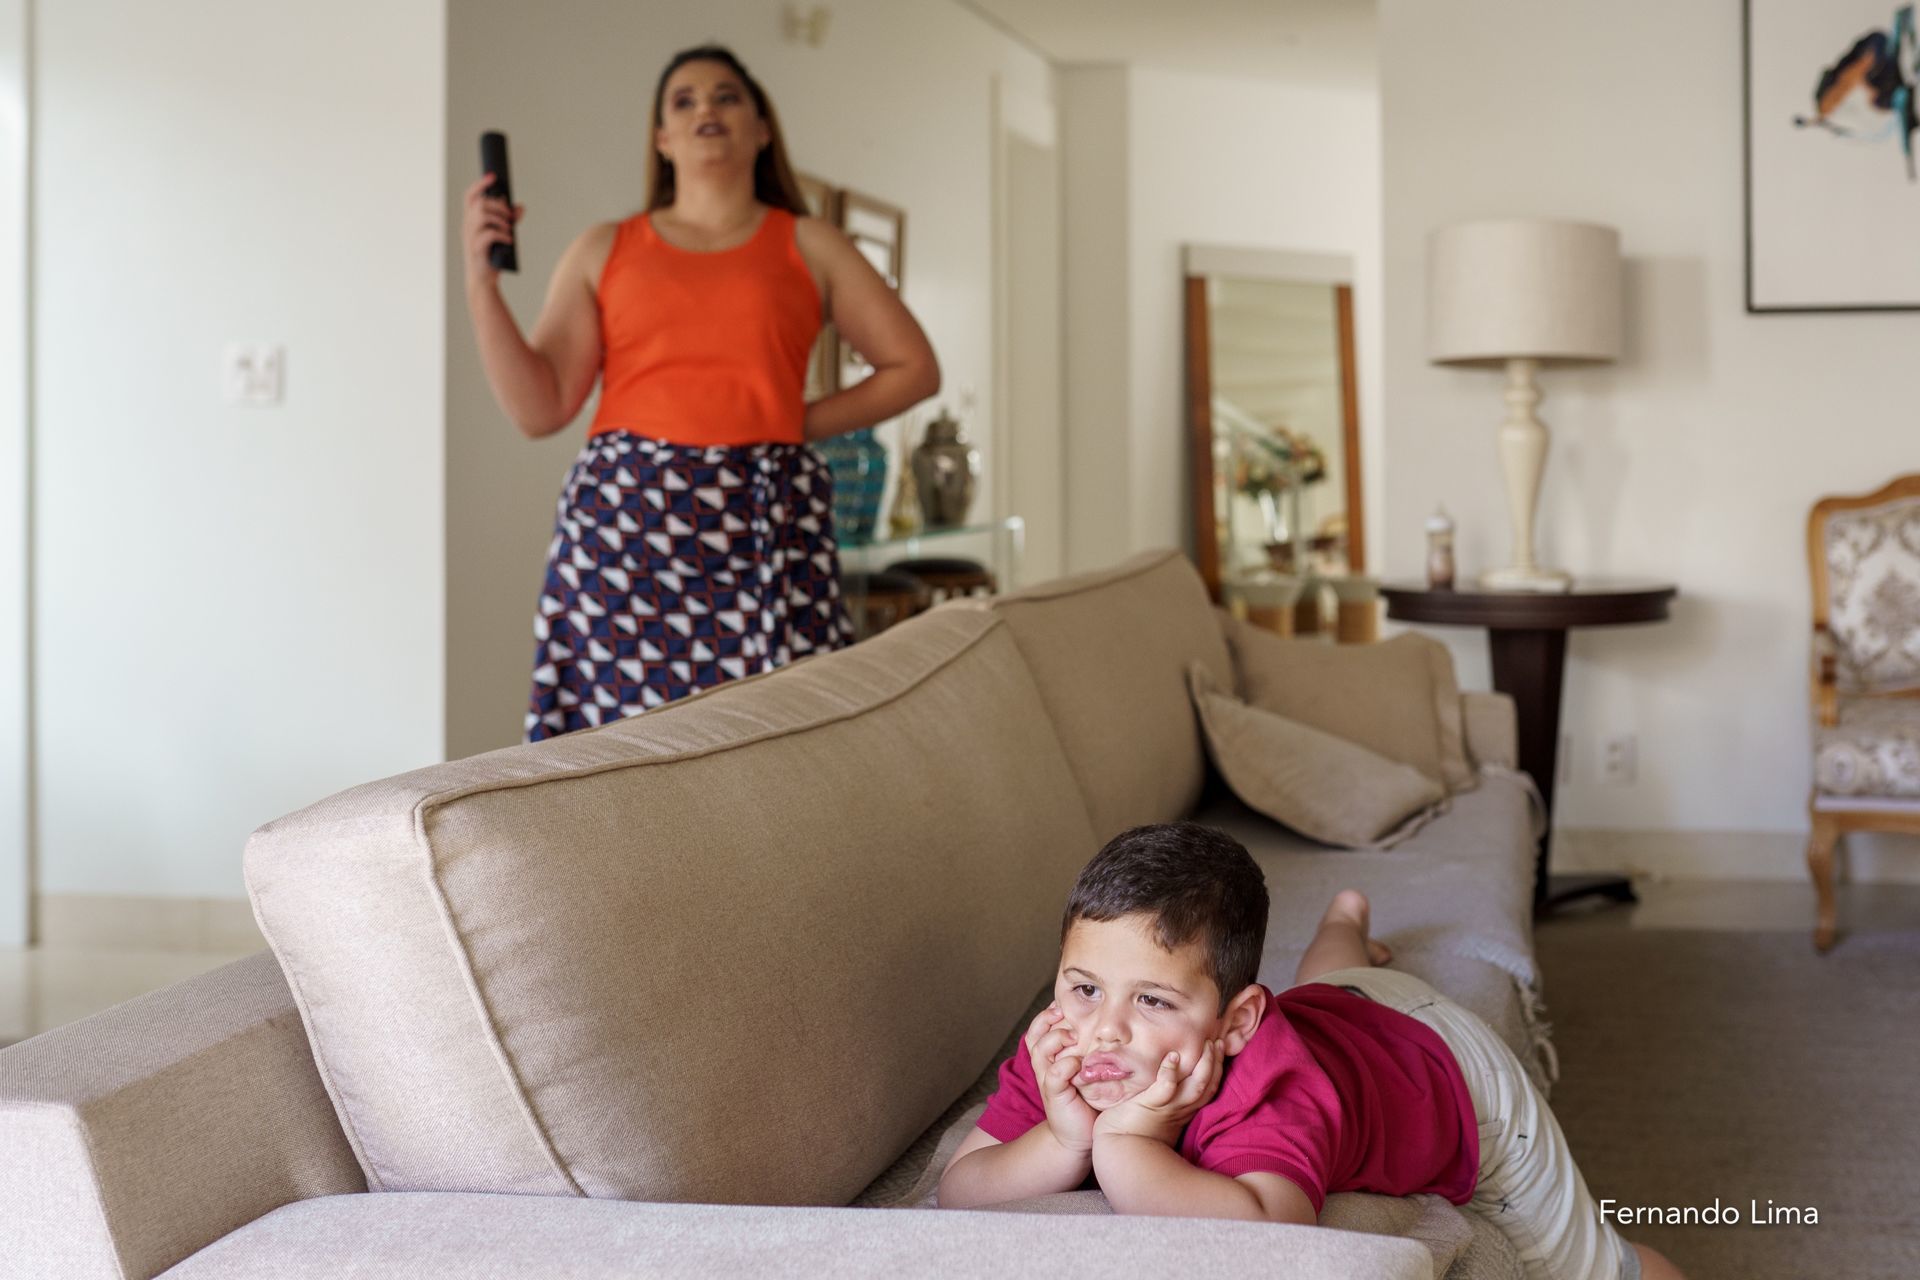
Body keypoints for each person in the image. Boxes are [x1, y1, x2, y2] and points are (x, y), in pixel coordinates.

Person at [938, 823, 1684, 1280]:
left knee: (1592, 1272)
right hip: (1342, 1011)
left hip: (1451, 1072)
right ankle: (1346, 919)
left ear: (1234, 1028)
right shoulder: (1072, 1046)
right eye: (1085, 986)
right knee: (1331, 979)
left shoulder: (1267, 1087)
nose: (1106, 1028)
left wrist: (1126, 1141)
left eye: (1152, 1000)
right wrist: (1064, 1135)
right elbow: (961, 1189)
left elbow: (1272, 1231)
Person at [462, 44, 939, 741]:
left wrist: (788, 422)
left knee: (781, 744)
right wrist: (481, 284)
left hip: (765, 522)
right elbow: (540, 408)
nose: (705, 109)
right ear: (661, 139)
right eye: (682, 101)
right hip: (623, 535)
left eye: (726, 96)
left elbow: (913, 368)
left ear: (762, 128)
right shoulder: (605, 248)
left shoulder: (811, 244)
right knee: (617, 754)